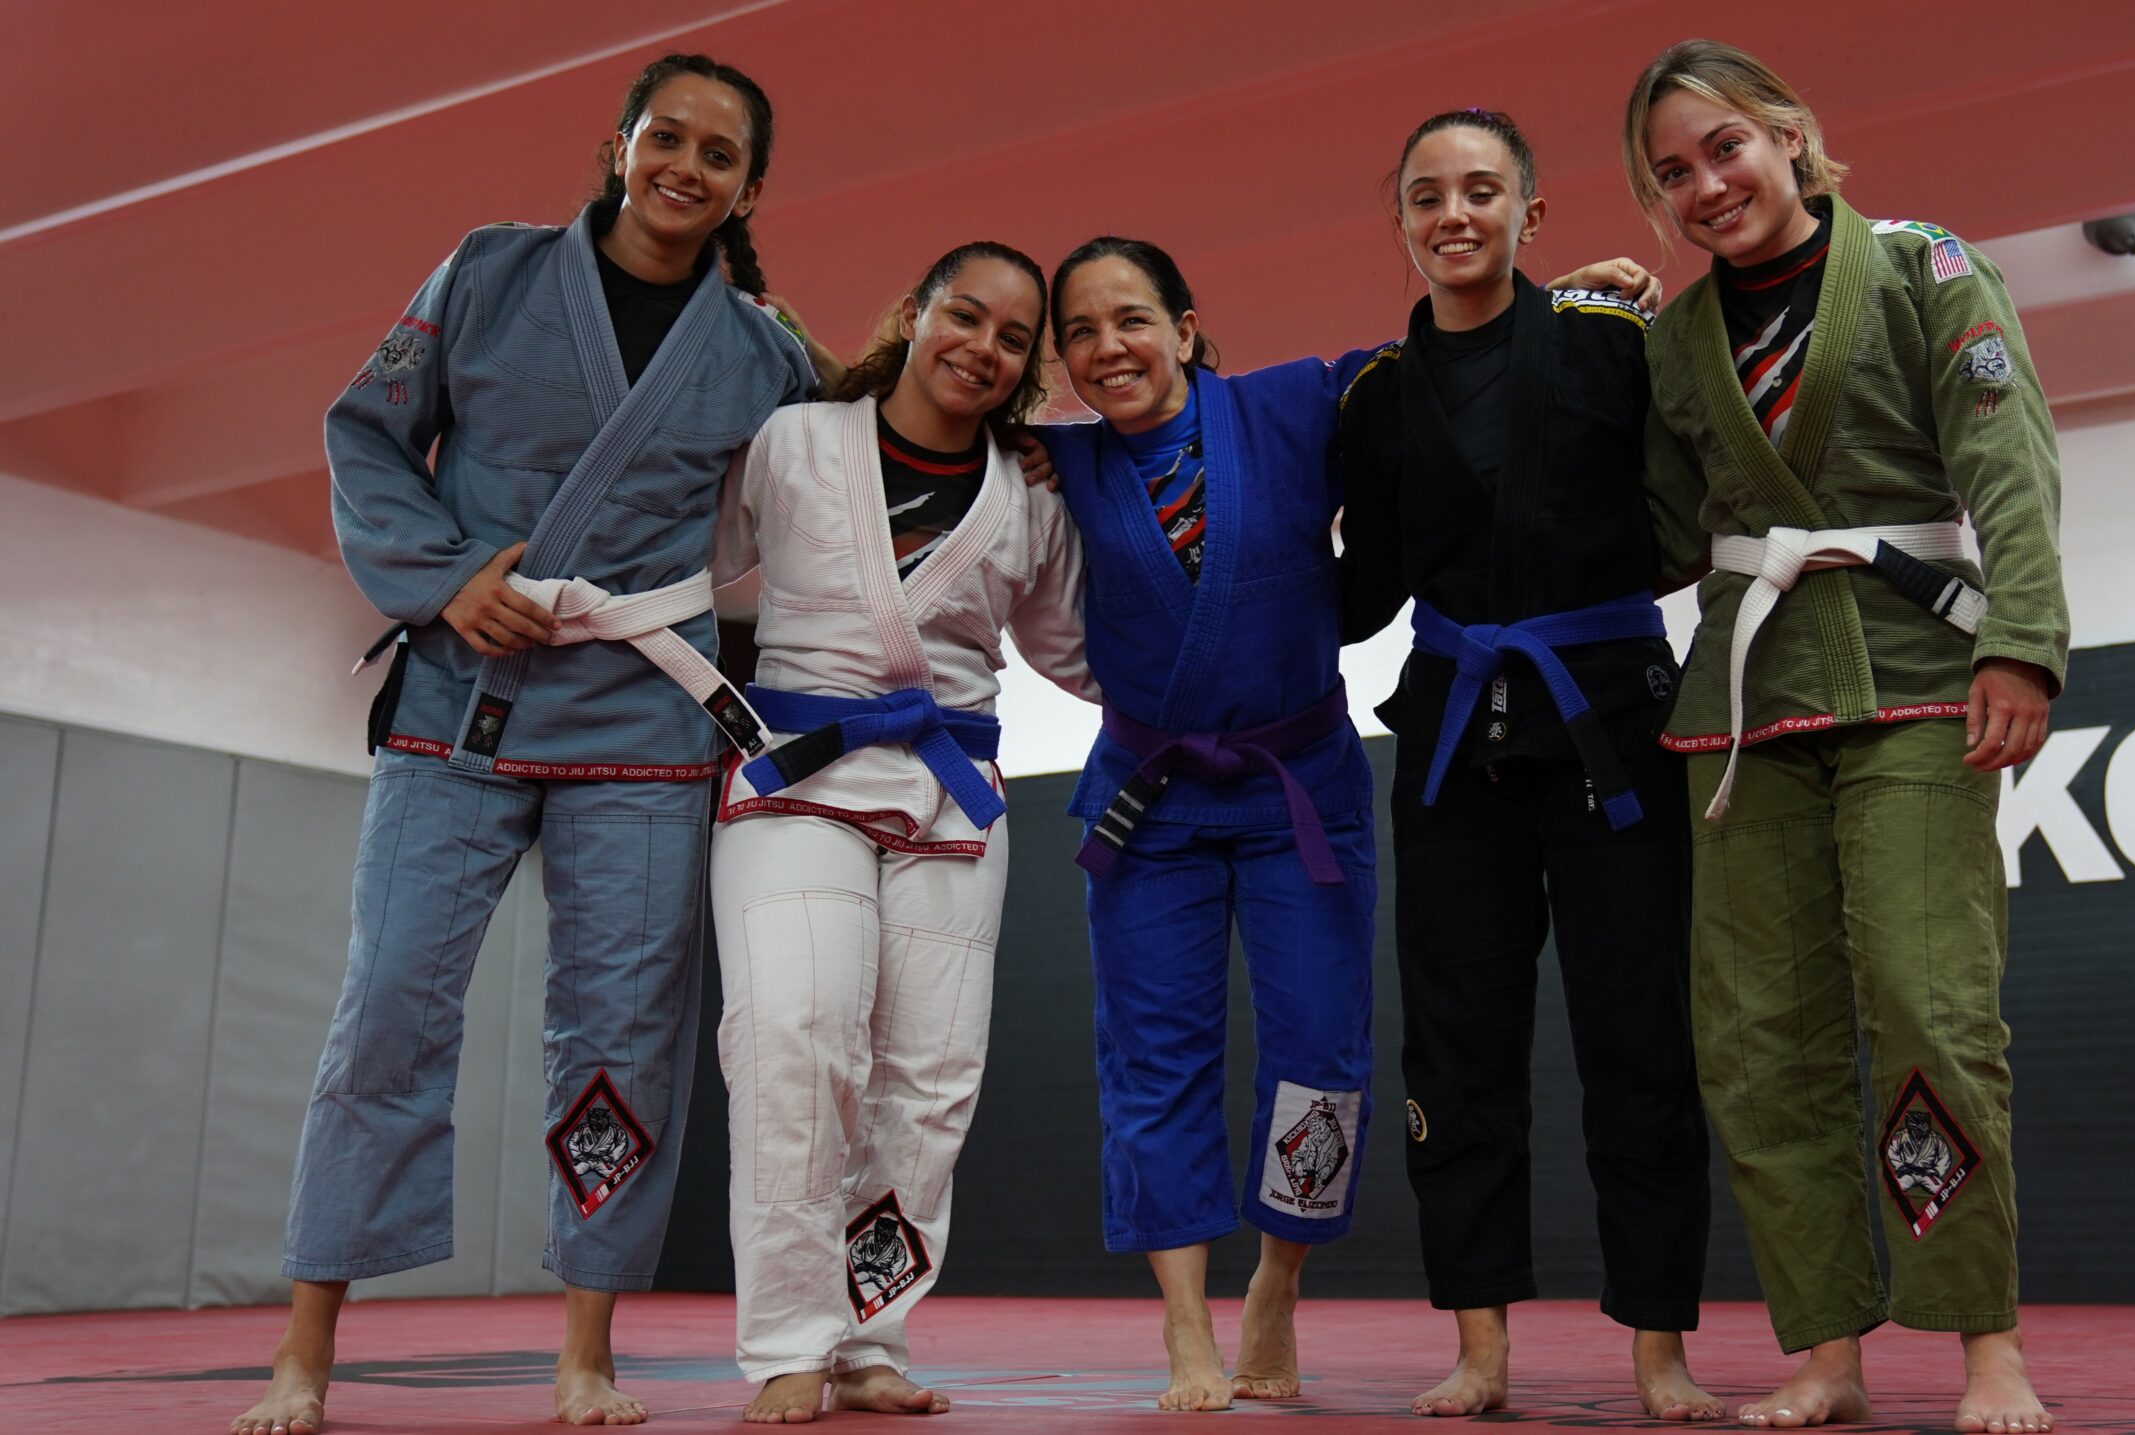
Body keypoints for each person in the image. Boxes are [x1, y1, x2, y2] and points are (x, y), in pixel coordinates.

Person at [234, 54, 823, 1435]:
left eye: (718, 154)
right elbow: (367, 433)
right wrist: (444, 578)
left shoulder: (763, 354)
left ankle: (586, 1352)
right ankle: (304, 1348)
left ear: (749, 189)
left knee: (621, 1035)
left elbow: (842, 492)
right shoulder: (488, 273)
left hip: (643, 721)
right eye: (664, 136)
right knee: (388, 1006)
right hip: (463, 699)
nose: (684, 166)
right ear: (620, 144)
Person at [1625, 38, 2068, 1434]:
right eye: (1673, 173)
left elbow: (2006, 458)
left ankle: (1983, 1339)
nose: (1707, 185)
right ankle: (1826, 1344)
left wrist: (2022, 639)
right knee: (1759, 1040)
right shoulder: (1672, 343)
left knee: (1929, 1004)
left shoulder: (1927, 269)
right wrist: (1573, 362)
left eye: (1725, 148)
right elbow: (1654, 533)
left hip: (1920, 680)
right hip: (1745, 711)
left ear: (1790, 134)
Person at [1335, 107, 1717, 1423]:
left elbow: (1684, 510)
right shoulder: (1377, 398)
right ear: (1401, 220)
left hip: (1610, 723)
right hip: (1452, 739)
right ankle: (1479, 1344)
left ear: (1529, 213)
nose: (1454, 214)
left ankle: (1659, 1345)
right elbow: (1361, 596)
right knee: (1456, 1049)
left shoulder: (1611, 343)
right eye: (1427, 194)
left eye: (1481, 190)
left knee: (1640, 1036)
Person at [708, 240, 1094, 1422]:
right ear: (916, 313)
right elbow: (693, 558)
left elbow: (1080, 653)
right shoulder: (795, 440)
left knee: (929, 1081)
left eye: (1013, 338)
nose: (982, 347)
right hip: (799, 775)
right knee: (795, 1041)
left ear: (1028, 367)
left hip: (950, 791)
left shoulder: (1030, 493)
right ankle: (789, 1340)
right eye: (963, 315)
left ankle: (870, 1335)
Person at [1039, 237, 1384, 1413]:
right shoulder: (1060, 463)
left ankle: (1277, 1280)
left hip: (1301, 783)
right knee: (1152, 1057)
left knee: (1322, 1047)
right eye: (1081, 333)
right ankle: (1186, 1322)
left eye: (1132, 319)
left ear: (1185, 328)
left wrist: (1583, 297)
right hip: (1151, 799)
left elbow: (1441, 363)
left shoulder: (1294, 405)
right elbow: (927, 407)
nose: (1108, 348)